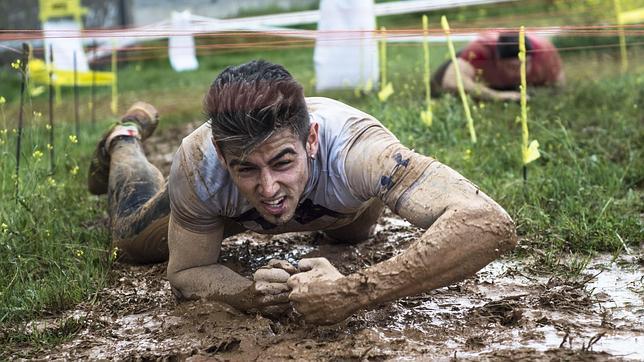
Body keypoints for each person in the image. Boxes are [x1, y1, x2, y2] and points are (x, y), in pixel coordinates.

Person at [88, 60, 517, 325]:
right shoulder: (200, 162)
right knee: (131, 239)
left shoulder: (359, 151)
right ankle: (123, 138)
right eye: (246, 169)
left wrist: (354, 291)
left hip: (346, 212)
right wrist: (244, 294)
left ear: (311, 139)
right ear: (222, 153)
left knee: (352, 236)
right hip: (229, 216)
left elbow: (488, 222)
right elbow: (185, 273)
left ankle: (339, 217)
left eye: (282, 162)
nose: (269, 189)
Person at [431, 32, 565, 102]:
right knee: (435, 86)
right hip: (479, 69)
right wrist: (498, 96)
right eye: (512, 67)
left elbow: (559, 85)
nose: (519, 72)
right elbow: (450, 81)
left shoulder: (544, 54)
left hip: (502, 80)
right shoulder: (480, 51)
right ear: (498, 61)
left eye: (524, 65)